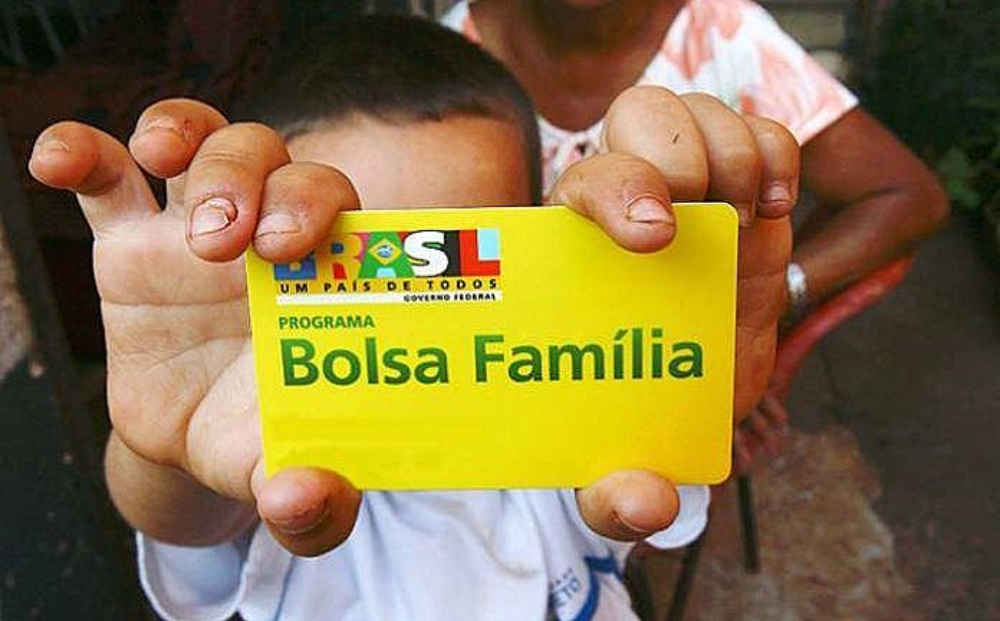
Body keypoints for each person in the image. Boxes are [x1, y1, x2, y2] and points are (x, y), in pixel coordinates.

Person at [28, 15, 797, 620]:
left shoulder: (566, 413)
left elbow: (642, 512)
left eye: (464, 260)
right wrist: (171, 447)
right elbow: (182, 516)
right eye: (353, 265)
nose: (416, 315)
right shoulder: (278, 442)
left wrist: (666, 335)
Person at [441, 0, 949, 469]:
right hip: (508, 380)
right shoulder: (442, 57)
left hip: (672, 379)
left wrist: (757, 315)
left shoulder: (725, 36)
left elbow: (904, 195)